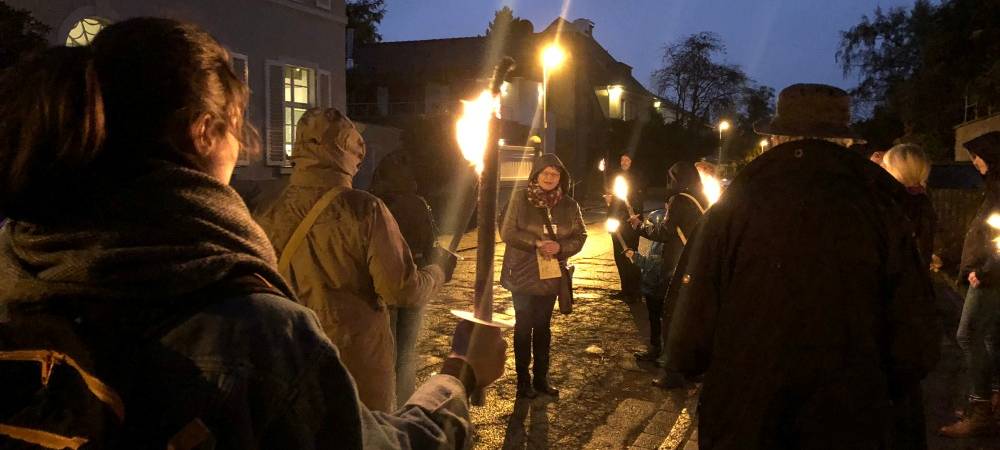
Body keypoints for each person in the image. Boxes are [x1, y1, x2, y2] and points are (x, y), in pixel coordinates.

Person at [0, 17, 503, 448]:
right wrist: (458, 378)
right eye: (237, 127)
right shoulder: (258, 335)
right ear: (203, 132)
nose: (241, 149)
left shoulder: (16, 272)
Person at [665, 84, 940, 449]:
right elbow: (916, 338)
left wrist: (695, 365)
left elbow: (692, 314)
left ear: (778, 137)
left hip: (749, 411)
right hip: (853, 417)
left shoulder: (735, 206)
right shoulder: (882, 208)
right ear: (844, 142)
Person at [256, 108, 448, 412]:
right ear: (347, 150)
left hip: (288, 358)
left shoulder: (267, 206)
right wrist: (437, 272)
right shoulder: (365, 209)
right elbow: (401, 290)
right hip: (353, 368)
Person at [500, 154, 587, 399]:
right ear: (536, 175)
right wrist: (536, 243)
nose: (550, 178)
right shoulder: (519, 199)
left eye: (555, 174)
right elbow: (506, 231)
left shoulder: (569, 205)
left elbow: (581, 235)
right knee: (523, 327)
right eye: (545, 173)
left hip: (551, 275)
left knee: (543, 327)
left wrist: (561, 248)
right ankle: (522, 382)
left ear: (561, 178)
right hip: (523, 273)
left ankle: (541, 379)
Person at [940, 131, 1000, 437]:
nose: (974, 162)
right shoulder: (991, 190)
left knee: (968, 335)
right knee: (990, 336)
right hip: (988, 275)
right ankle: (993, 398)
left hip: (991, 280)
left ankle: (980, 410)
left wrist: (987, 270)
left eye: (978, 156)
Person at [370, 151, 440, 403]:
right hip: (413, 277)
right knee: (406, 352)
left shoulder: (372, 203)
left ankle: (386, 402)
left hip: (380, 282)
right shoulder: (416, 204)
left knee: (386, 350)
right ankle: (403, 403)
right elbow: (431, 242)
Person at [627, 162, 706, 366]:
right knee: (682, 312)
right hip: (692, 262)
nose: (669, 182)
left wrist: (640, 226)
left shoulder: (679, 199)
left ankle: (662, 353)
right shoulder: (701, 198)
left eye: (671, 178)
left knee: (658, 306)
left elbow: (664, 232)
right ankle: (679, 354)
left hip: (673, 265)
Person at [605, 153, 643, 302]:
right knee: (619, 257)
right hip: (616, 223)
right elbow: (614, 203)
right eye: (622, 159)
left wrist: (635, 216)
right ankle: (625, 290)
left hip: (630, 224)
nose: (624, 162)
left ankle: (635, 292)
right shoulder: (616, 178)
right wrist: (610, 201)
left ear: (632, 162)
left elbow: (638, 200)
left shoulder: (637, 178)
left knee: (631, 257)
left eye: (627, 159)